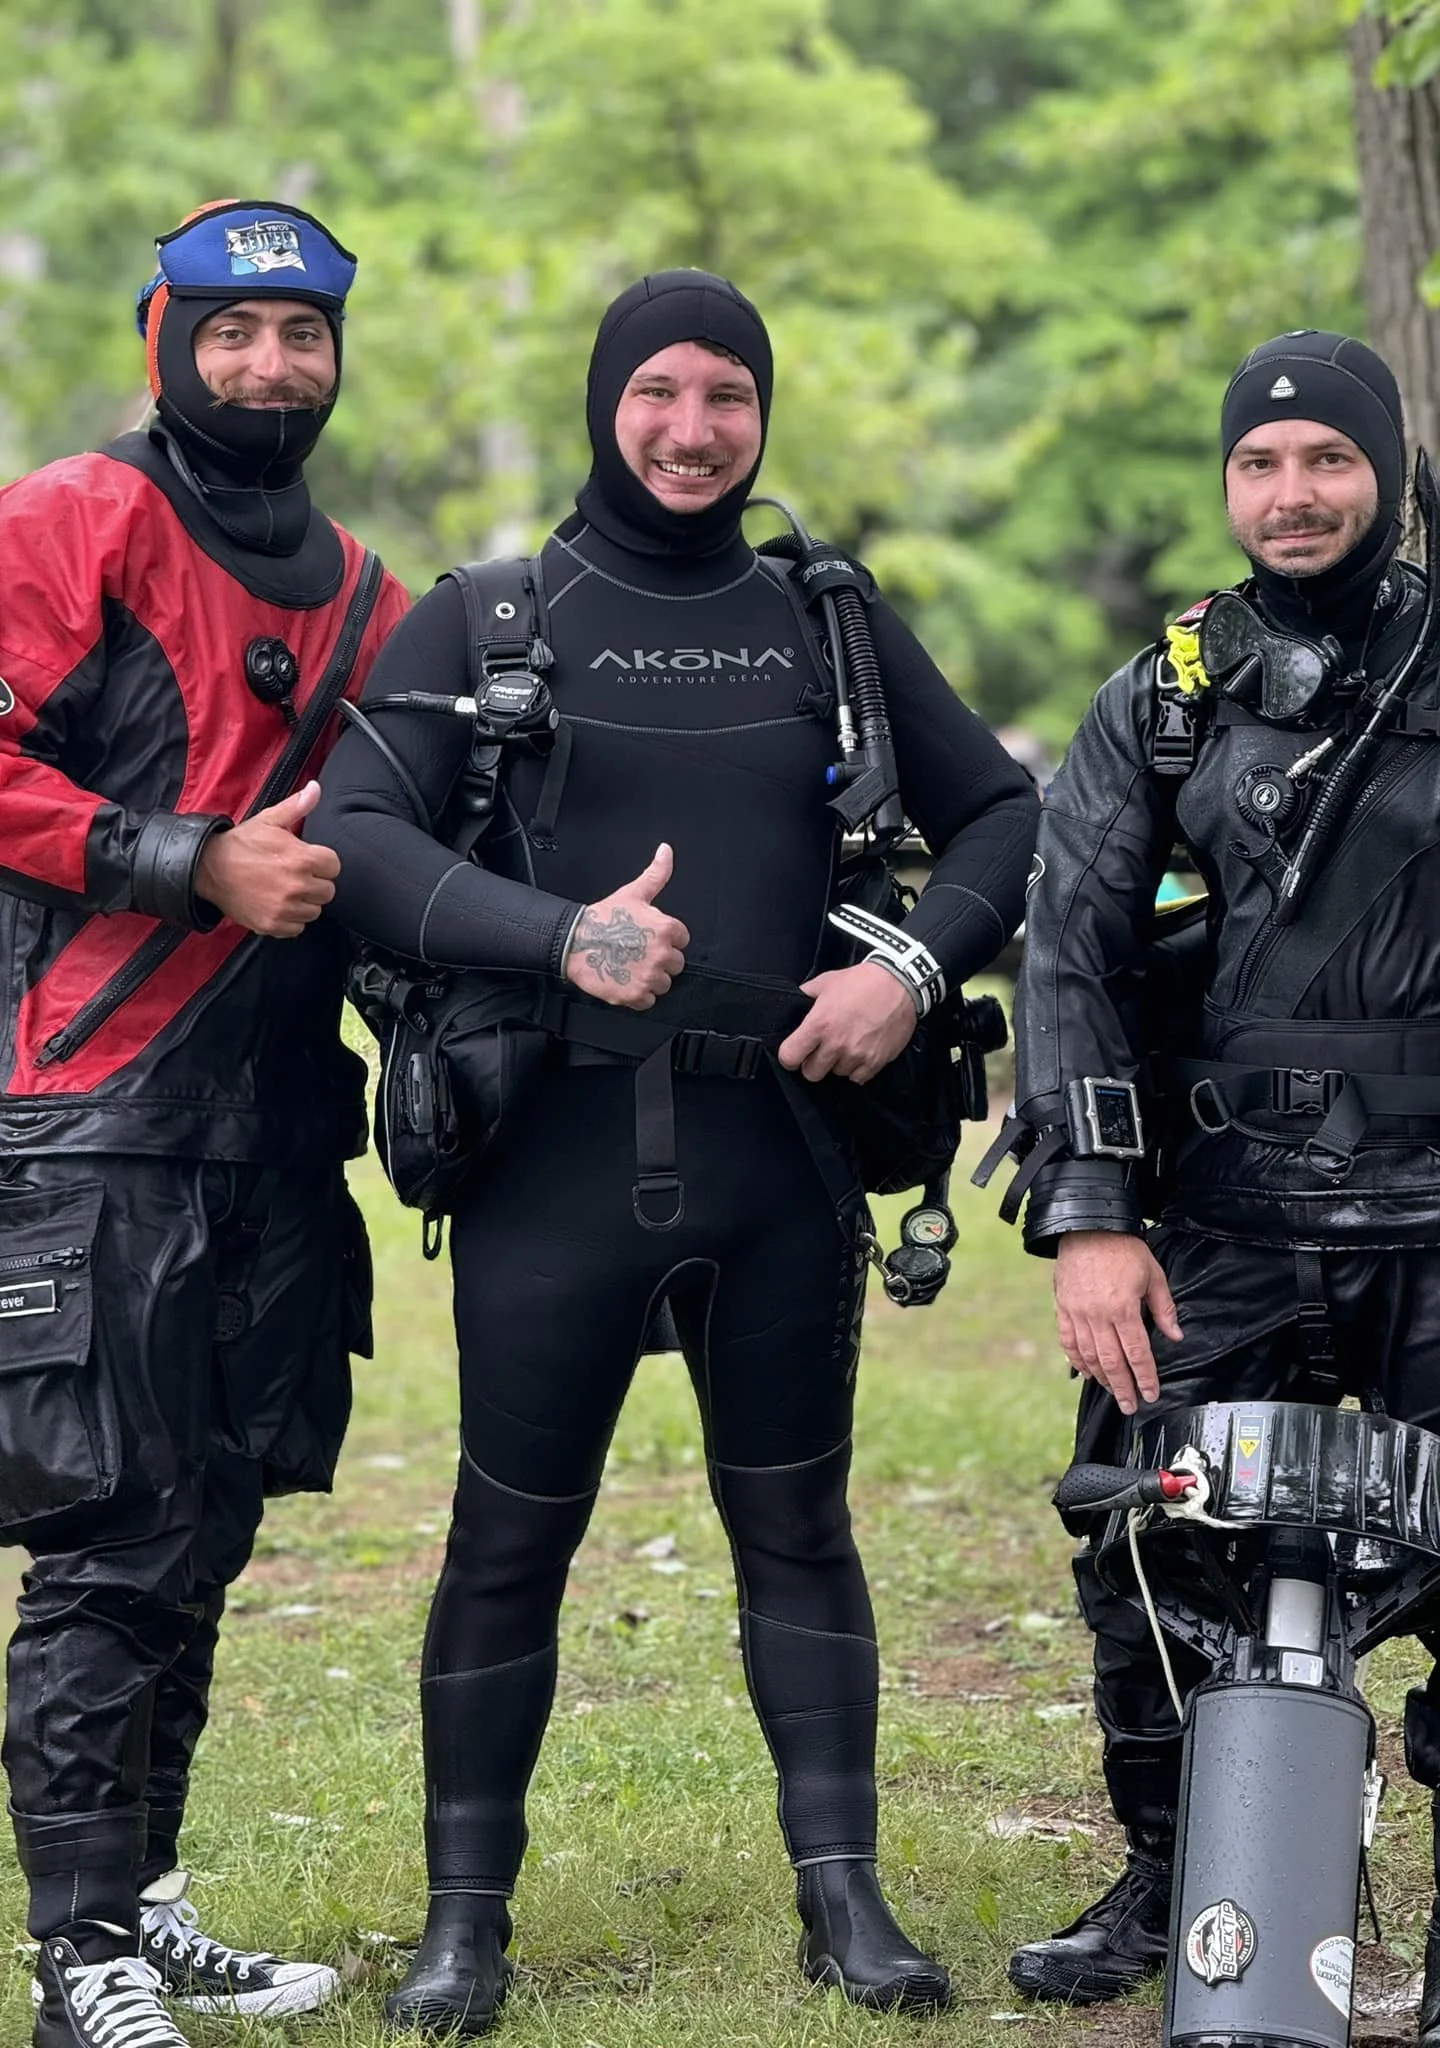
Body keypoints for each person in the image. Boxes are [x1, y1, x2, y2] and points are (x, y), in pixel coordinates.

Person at [313, 267, 1039, 2036]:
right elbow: (354, 831)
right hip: (549, 1163)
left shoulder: (825, 620)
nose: (694, 430)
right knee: (507, 1540)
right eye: (658, 394)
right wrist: (553, 934)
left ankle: (847, 1902)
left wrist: (909, 966)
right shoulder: (493, 615)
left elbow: (1008, 810)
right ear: (603, 402)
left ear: (762, 411)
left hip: (779, 1152)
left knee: (798, 1526)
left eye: (727, 395)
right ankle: (462, 1922)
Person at [1000, 331, 1440, 2047]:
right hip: (1222, 1212)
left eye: (1325, 461)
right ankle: (1167, 1880)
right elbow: (1071, 947)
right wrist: (1092, 1214)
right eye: (1259, 464)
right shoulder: (1167, 686)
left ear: (1388, 471)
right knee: (1135, 1540)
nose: (1291, 494)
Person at [0, 200, 410, 2048]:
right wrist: (184, 860)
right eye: (233, 333)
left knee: (211, 1525)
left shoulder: (377, 597)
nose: (269, 368)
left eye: (302, 335)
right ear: (166, 334)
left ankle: (144, 1898)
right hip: (85, 1116)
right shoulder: (70, 516)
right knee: (108, 1528)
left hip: (273, 1136)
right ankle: (75, 1952)